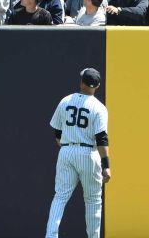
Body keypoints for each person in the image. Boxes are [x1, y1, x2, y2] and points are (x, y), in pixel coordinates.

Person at [46, 67, 110, 238]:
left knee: (60, 197)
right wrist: (106, 165)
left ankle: (50, 236)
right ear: (97, 86)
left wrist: (69, 148)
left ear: (81, 82)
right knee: (93, 201)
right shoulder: (99, 107)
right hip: (89, 153)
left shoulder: (65, 101)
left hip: (66, 151)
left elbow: (57, 134)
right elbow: (101, 138)